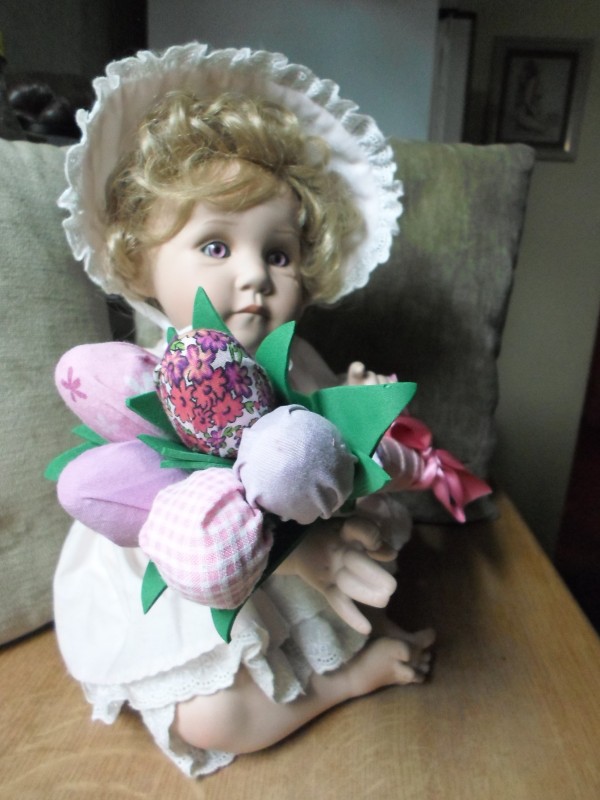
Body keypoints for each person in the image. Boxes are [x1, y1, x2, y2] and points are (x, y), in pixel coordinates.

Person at [52, 43, 483, 778]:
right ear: (141, 260)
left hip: (308, 562)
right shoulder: (150, 377)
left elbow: (330, 452)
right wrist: (300, 554)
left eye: (278, 254)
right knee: (212, 718)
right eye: (216, 245)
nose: (255, 274)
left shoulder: (296, 353)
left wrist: (352, 400)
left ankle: (342, 654)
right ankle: (345, 682)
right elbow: (156, 505)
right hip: (192, 578)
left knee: (364, 589)